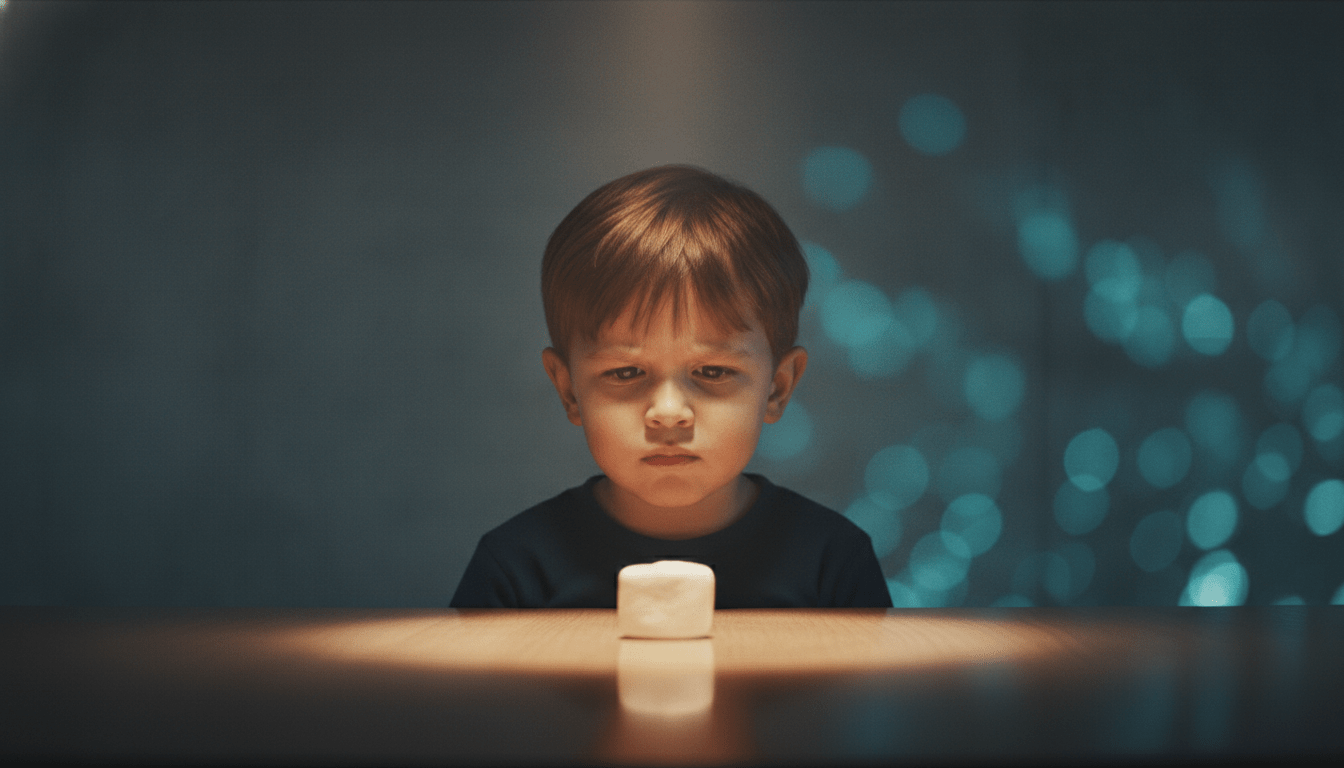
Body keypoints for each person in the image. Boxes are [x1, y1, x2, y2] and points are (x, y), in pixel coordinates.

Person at [451, 165, 892, 609]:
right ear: (569, 390)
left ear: (777, 388)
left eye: (713, 372)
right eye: (626, 373)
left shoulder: (833, 563)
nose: (667, 412)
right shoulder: (515, 570)